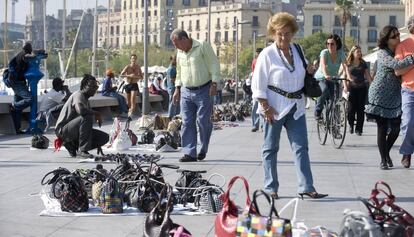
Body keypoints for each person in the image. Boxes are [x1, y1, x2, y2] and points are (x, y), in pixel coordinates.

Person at [251, 12, 327, 199]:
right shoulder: (267, 55)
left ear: (293, 32)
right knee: (270, 148)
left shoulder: (298, 50)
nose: (284, 37)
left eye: (287, 33)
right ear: (273, 33)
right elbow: (258, 84)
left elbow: (304, 72)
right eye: (279, 33)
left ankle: (307, 186)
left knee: (301, 147)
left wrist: (309, 70)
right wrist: (266, 107)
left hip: (296, 106)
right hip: (273, 107)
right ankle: (270, 187)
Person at [365, 25, 414, 170]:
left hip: (394, 95)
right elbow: (396, 65)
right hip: (379, 94)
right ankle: (383, 159)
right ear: (386, 40)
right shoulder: (382, 53)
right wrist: (412, 58)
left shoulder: (399, 50)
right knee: (382, 128)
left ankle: (385, 153)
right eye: (394, 36)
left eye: (398, 35)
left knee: (396, 128)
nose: (398, 38)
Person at [170, 29, 221, 162]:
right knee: (187, 122)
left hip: (204, 89)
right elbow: (179, 71)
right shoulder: (180, 52)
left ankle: (203, 149)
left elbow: (214, 64)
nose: (175, 47)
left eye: (176, 44)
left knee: (203, 121)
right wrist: (177, 89)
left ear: (184, 39)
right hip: (186, 91)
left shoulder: (202, 46)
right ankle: (189, 152)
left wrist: (214, 84)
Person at [55, 74, 109, 158]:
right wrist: (96, 113)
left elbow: (85, 129)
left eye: (96, 87)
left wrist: (97, 144)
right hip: (63, 131)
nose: (94, 89)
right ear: (84, 86)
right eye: (92, 86)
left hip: (73, 130)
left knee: (104, 137)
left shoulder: (86, 100)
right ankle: (82, 150)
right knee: (87, 116)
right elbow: (81, 111)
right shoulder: (78, 95)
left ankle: (73, 146)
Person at [395, 16, 414, 169]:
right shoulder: (403, 46)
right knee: (407, 123)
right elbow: (398, 71)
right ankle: (407, 152)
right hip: (409, 90)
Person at [314, 34, 346, 120]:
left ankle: (334, 124)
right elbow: (323, 65)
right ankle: (318, 110)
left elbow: (345, 66)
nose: (329, 46)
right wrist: (326, 75)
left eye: (332, 44)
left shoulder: (341, 54)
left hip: (333, 79)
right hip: (321, 77)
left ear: (337, 45)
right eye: (328, 44)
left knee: (335, 99)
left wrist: (347, 76)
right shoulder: (324, 52)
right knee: (324, 90)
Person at [344, 45, 372, 136]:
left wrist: (372, 84)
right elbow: (346, 75)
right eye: (357, 52)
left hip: (362, 88)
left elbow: (367, 75)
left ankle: (359, 129)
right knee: (351, 109)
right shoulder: (348, 63)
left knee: (361, 109)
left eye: (360, 52)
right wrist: (346, 85)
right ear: (353, 52)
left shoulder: (363, 63)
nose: (359, 53)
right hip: (352, 88)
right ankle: (351, 125)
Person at [9, 42, 34, 134]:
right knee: (30, 98)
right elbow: (27, 57)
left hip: (18, 82)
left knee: (18, 109)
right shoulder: (23, 55)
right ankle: (14, 105)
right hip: (17, 83)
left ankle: (17, 129)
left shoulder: (19, 54)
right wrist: (37, 55)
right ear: (28, 49)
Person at [251, 47, 263, 132]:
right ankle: (255, 125)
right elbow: (253, 72)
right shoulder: (254, 61)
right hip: (256, 86)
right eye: (257, 53)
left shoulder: (265, 60)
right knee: (255, 107)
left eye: (259, 53)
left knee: (263, 106)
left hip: (263, 85)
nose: (257, 54)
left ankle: (263, 125)